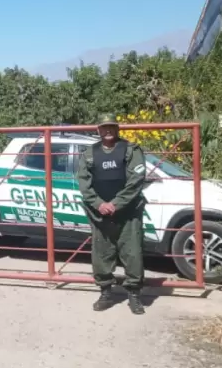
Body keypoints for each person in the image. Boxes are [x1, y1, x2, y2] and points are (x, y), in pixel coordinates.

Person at [76, 113, 148, 315]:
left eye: (112, 127)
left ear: (118, 129)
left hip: (128, 213)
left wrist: (116, 203)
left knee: (132, 253)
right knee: (101, 254)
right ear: (98, 130)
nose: (108, 130)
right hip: (101, 215)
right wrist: (99, 204)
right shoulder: (89, 153)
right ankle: (106, 292)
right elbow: (84, 183)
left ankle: (134, 295)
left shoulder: (131, 150)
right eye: (104, 127)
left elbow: (136, 180)